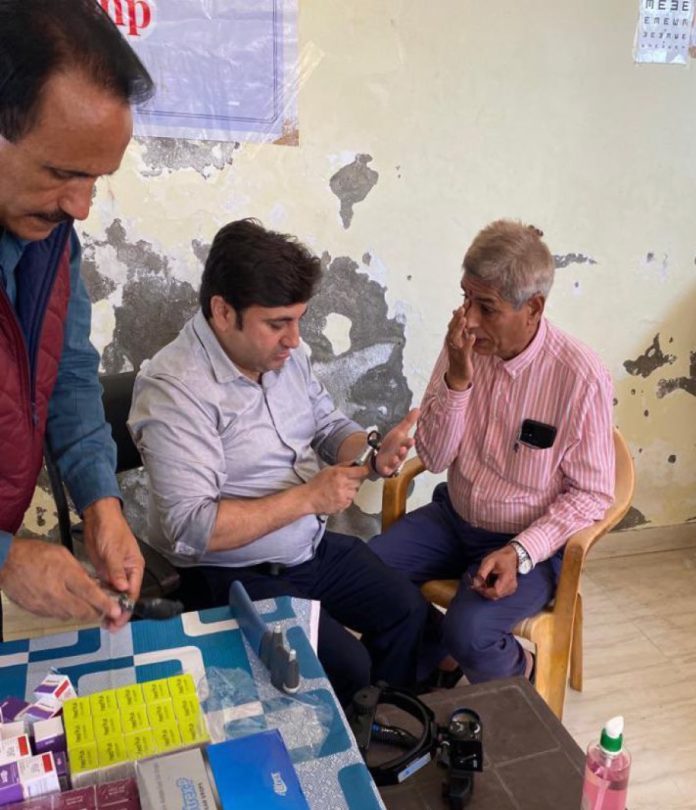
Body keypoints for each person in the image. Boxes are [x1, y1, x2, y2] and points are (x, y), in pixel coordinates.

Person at [128, 218, 429, 705]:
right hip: (228, 573)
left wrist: (373, 452)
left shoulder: (286, 356)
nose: (294, 339)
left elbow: (328, 427)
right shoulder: (175, 389)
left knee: (407, 613)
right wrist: (309, 498)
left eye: (298, 320)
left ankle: (377, 730)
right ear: (223, 312)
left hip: (306, 549)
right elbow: (191, 527)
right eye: (277, 324)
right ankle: (338, 733)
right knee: (346, 668)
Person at [371, 220, 615, 684]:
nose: (469, 319)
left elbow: (593, 493)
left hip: (529, 541)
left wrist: (521, 551)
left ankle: (522, 675)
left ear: (533, 308)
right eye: (465, 298)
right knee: (365, 576)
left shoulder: (579, 377)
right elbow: (436, 458)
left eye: (486, 307)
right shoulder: (464, 347)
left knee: (471, 632)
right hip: (455, 517)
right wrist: (457, 379)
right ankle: (440, 655)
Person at [0, 0, 154, 629]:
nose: (81, 207)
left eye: (96, 179)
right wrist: (5, 560)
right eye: (63, 173)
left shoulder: (49, 235)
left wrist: (100, 501)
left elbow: (65, 370)